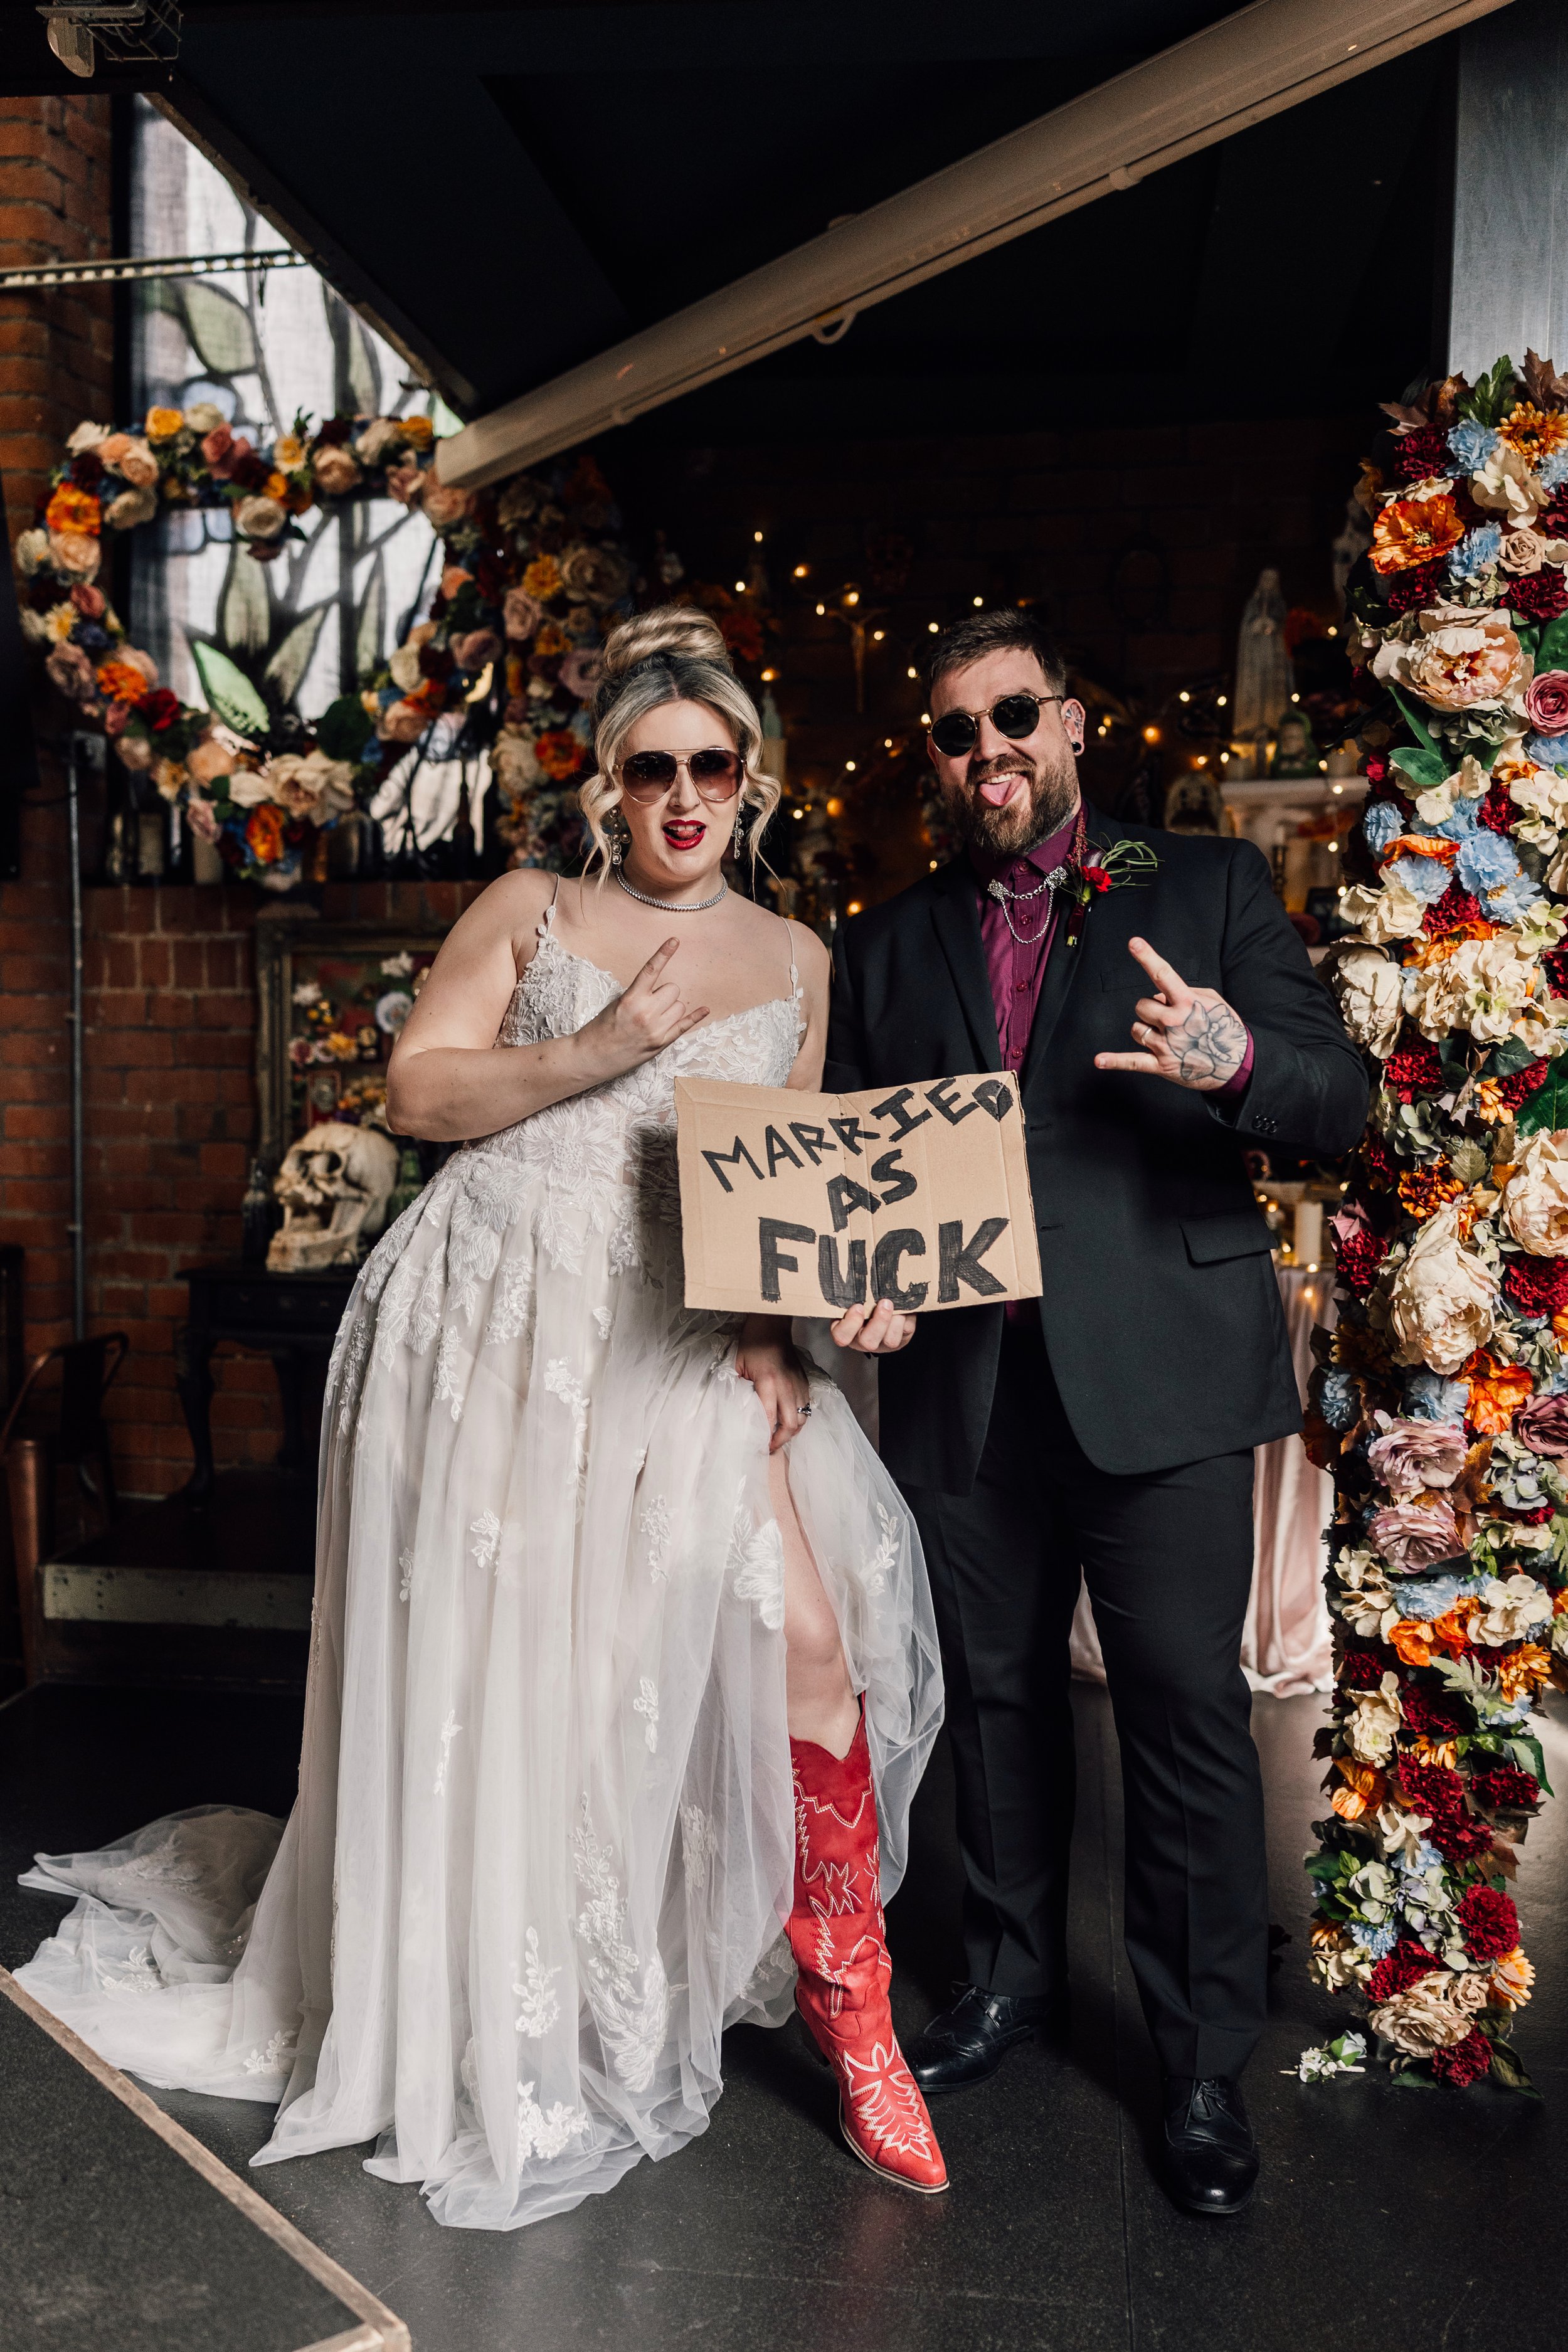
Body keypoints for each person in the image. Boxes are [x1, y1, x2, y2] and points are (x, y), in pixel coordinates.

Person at [15, 610, 945, 2227]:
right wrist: (599, 1045)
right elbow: (417, 1094)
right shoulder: (535, 906)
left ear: (751, 786)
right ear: (607, 785)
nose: (680, 795)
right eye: (648, 767)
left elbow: (780, 1184)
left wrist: (801, 1327)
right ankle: (500, 1998)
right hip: (503, 1320)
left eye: (708, 766)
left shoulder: (800, 957)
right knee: (529, 1661)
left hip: (676, 1334)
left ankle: (860, 2029)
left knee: (805, 1635)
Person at [826, 608, 1367, 2218]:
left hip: (1161, 1372)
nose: (983, 752)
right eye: (951, 732)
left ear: (1069, 723)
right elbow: (862, 1162)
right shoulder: (883, 941)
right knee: (991, 1699)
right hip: (965, 1386)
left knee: (1186, 1718)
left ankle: (1199, 2055)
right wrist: (864, 1282)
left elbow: (1335, 1096)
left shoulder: (1197, 886)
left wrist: (1235, 1058)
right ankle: (1008, 1980)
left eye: (1010, 718)